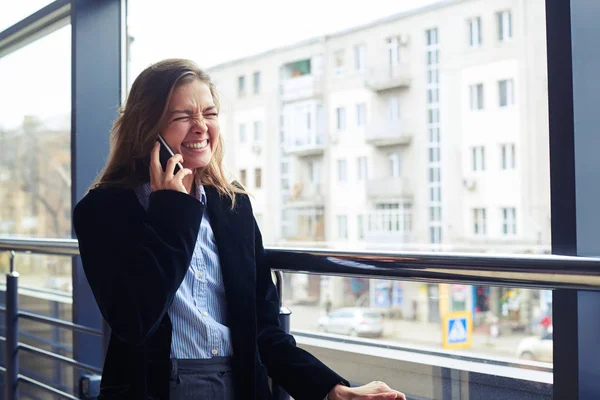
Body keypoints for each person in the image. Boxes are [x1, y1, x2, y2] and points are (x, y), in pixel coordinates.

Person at [73, 58, 406, 400]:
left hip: (241, 384)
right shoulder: (103, 210)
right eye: (183, 116)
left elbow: (262, 326)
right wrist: (172, 211)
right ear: (147, 128)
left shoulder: (232, 204)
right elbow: (134, 319)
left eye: (209, 113)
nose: (201, 126)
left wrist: (330, 389)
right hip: (157, 388)